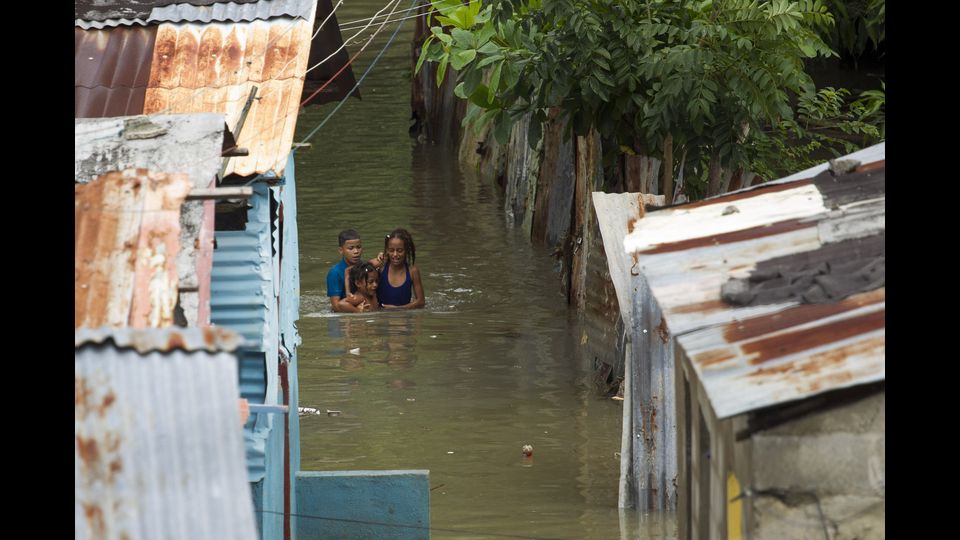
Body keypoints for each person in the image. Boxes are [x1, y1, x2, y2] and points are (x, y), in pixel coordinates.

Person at [327, 229, 383, 313]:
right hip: (348, 309)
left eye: (358, 247)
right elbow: (336, 306)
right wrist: (358, 312)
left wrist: (383, 256)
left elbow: (389, 258)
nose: (356, 251)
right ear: (341, 250)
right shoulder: (335, 273)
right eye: (351, 248)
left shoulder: (365, 267)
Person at [378, 228, 425, 310]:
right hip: (382, 317)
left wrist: (398, 309)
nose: (395, 254)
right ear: (387, 251)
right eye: (391, 250)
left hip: (403, 317)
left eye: (400, 250)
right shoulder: (381, 267)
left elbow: (421, 302)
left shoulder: (412, 271)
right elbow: (361, 271)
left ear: (406, 250)